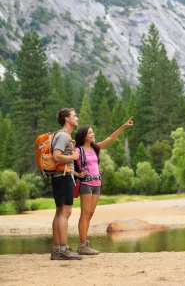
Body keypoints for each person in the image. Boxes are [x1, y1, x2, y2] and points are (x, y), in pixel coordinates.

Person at [74, 116, 134, 255]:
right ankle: (82, 245)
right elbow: (65, 162)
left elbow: (111, 138)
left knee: (90, 215)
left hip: (97, 183)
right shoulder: (78, 151)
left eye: (93, 132)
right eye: (90, 132)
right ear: (84, 136)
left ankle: (84, 244)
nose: (93, 134)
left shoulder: (95, 148)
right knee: (85, 214)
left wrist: (123, 126)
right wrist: (77, 175)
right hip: (86, 184)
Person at [51, 107, 82, 261]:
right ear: (67, 119)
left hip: (60, 177)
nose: (77, 118)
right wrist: (74, 156)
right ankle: (63, 249)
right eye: (74, 116)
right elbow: (57, 156)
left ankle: (57, 249)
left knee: (59, 212)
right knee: (65, 212)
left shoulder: (63, 135)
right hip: (63, 176)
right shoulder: (63, 136)